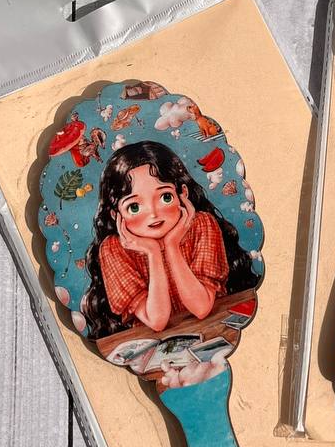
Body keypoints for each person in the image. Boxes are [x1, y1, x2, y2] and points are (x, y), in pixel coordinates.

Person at [83, 141, 254, 338]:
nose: (153, 214)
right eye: (134, 207)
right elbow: (157, 321)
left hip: (212, 332)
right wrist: (153, 252)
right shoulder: (114, 248)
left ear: (183, 194)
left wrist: (172, 246)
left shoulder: (201, 224)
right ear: (116, 215)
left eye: (165, 197)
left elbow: (201, 308)